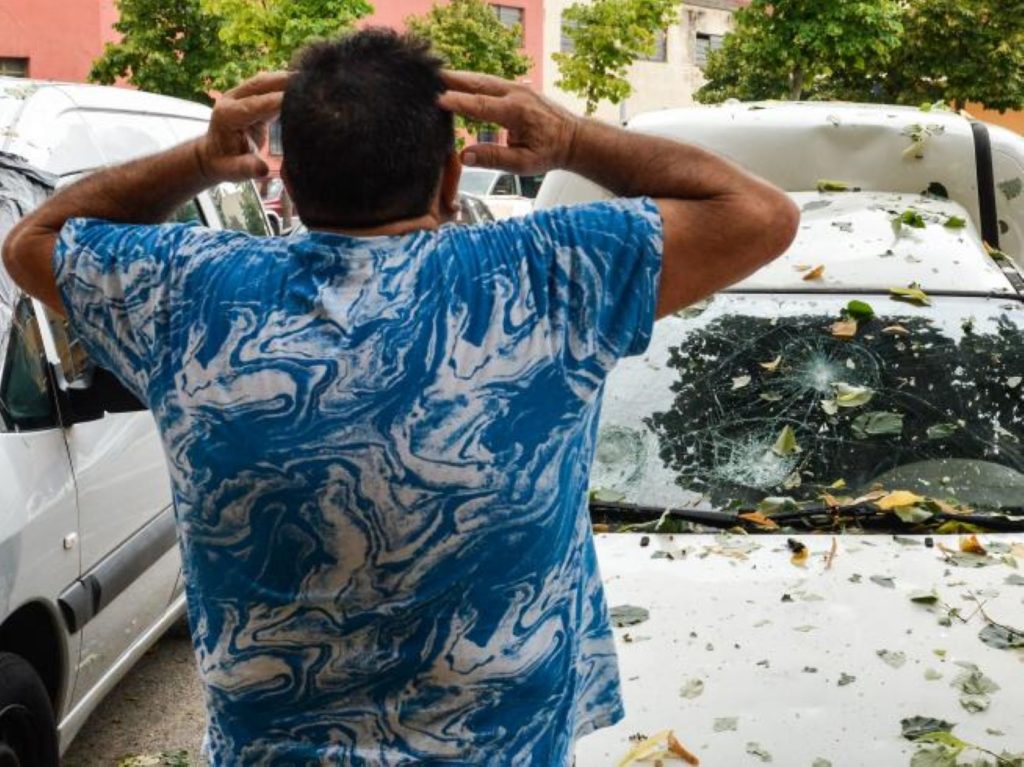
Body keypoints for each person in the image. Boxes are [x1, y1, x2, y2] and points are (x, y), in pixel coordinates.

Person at [2, 29, 798, 766]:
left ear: (290, 178)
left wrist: (203, 159)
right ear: (451, 177)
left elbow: (29, 242)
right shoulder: (545, 275)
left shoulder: (194, 297)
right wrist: (575, 139)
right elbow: (760, 214)